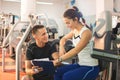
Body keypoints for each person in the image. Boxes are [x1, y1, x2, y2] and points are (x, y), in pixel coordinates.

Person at [53, 6, 99, 80]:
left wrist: (59, 59)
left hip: (90, 67)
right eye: (65, 23)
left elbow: (76, 50)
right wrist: (61, 47)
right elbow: (63, 39)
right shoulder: (75, 30)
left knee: (67, 77)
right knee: (57, 72)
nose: (67, 26)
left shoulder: (86, 32)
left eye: (68, 23)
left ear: (76, 19)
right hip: (80, 64)